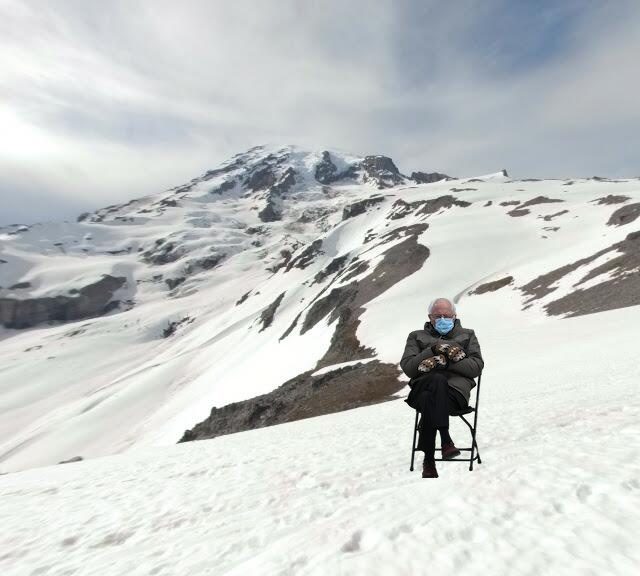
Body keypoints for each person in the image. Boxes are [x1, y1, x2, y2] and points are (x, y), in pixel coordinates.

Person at [400, 297, 484, 478]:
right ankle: (445, 440)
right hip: (422, 389)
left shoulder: (467, 335)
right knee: (435, 383)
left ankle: (429, 460)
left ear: (454, 316)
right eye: (438, 316)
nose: (443, 319)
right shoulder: (416, 336)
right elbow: (408, 368)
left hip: (454, 395)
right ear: (430, 317)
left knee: (434, 387)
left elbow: (476, 367)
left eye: (447, 315)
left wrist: (444, 362)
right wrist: (433, 350)